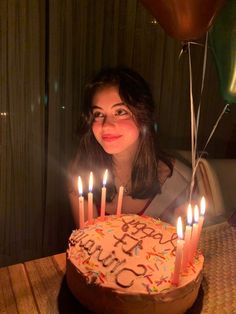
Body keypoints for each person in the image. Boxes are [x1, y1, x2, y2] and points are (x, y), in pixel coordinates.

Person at [68, 66, 193, 227]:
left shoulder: (178, 180)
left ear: (143, 116)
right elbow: (89, 244)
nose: (106, 126)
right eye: (98, 114)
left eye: (120, 112)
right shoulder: (82, 173)